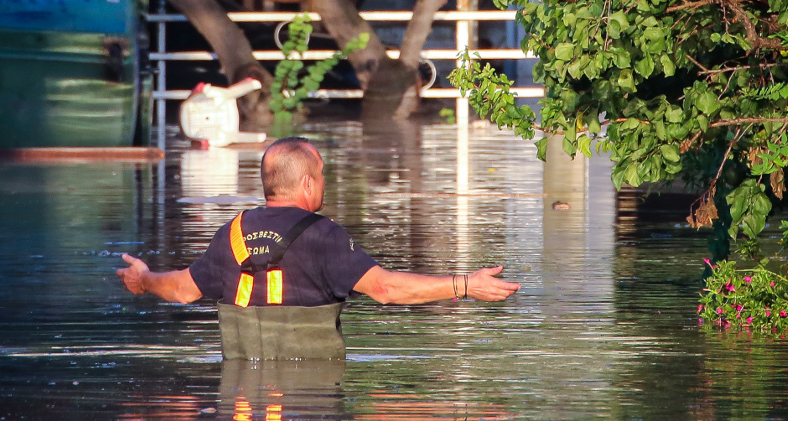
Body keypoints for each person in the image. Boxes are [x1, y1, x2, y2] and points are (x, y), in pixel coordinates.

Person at [117, 136, 520, 358]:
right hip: (314, 390)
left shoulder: (231, 232)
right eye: (322, 175)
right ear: (307, 183)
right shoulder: (324, 235)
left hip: (239, 389)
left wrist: (144, 278)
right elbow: (385, 289)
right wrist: (465, 285)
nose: (324, 183)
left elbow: (182, 290)